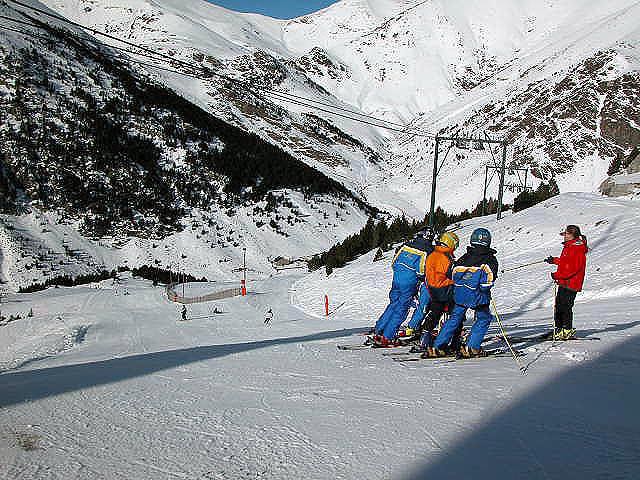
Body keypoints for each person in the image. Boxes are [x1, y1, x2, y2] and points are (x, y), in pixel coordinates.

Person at [427, 228, 498, 358]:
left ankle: (438, 346)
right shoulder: (489, 259)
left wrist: (461, 284)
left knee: (455, 318)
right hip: (476, 295)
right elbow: (487, 282)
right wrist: (484, 290)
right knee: (484, 318)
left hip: (459, 294)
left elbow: (452, 273)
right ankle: (472, 347)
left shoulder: (464, 258)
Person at [373, 228, 434, 347]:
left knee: (393, 305)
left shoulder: (405, 246)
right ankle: (388, 336)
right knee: (401, 309)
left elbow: (394, 262)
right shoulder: (426, 251)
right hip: (409, 283)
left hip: (396, 280)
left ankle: (379, 330)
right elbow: (421, 271)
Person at [412, 231, 459, 352]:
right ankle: (454, 340)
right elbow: (451, 275)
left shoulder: (432, 254)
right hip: (445, 289)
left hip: (433, 289)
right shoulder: (446, 257)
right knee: (456, 314)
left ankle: (425, 337)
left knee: (434, 313)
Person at [545, 225, 588, 340]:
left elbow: (572, 268)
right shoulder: (570, 246)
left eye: (566, 234)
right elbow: (566, 262)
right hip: (565, 282)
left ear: (572, 235)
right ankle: (559, 329)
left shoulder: (577, 248)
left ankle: (567, 330)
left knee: (566, 306)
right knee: (558, 305)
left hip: (572, 283)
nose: (564, 236)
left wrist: (557, 275)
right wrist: (554, 260)